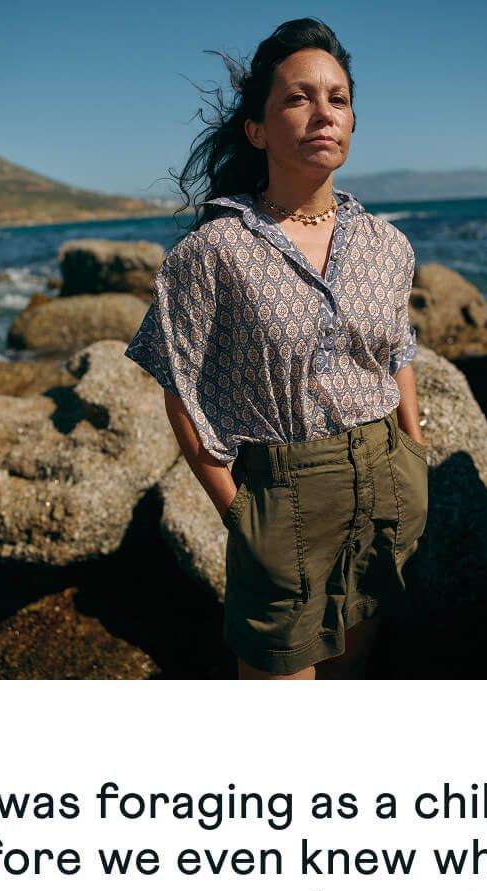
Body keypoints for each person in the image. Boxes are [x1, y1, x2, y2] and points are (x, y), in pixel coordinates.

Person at [124, 18, 429, 680]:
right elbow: (181, 388)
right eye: (298, 97)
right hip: (281, 498)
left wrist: (414, 453)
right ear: (257, 130)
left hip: (386, 486)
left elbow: (398, 351)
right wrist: (241, 515)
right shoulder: (211, 254)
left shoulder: (387, 244)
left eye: (338, 98)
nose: (323, 113)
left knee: (350, 674)